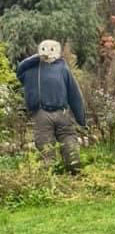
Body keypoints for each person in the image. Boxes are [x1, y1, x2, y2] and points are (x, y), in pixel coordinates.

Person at [16, 39, 86, 174]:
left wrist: (81, 118)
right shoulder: (31, 69)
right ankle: (50, 174)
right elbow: (20, 68)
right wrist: (37, 57)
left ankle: (74, 170)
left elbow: (74, 94)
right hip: (42, 113)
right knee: (45, 144)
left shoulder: (62, 67)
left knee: (68, 141)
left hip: (62, 112)